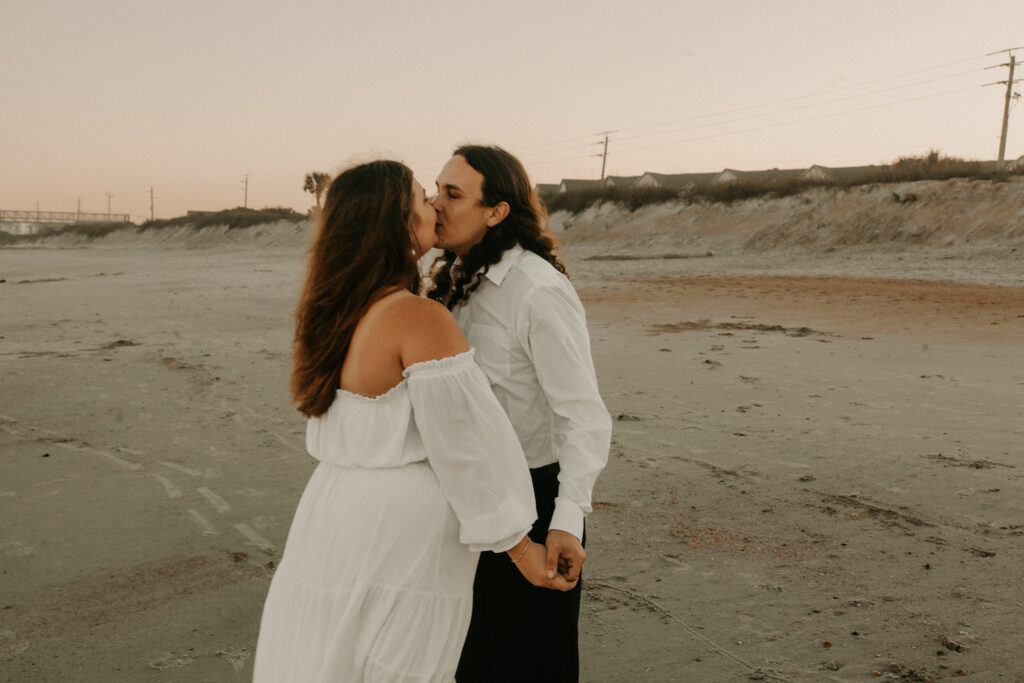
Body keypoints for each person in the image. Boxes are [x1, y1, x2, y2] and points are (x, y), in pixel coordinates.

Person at [252, 160, 575, 683]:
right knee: (395, 662)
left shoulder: (333, 310)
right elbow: (465, 448)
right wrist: (521, 548)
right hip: (397, 534)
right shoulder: (418, 317)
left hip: (330, 515)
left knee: (333, 654)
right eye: (424, 198)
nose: (436, 206)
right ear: (400, 223)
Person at [429, 145, 612, 682]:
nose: (435, 203)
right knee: (466, 662)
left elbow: (583, 415)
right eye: (435, 189)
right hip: (465, 498)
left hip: (531, 500)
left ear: (497, 211)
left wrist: (568, 520)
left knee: (528, 663)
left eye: (453, 193)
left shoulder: (536, 289)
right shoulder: (453, 276)